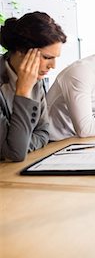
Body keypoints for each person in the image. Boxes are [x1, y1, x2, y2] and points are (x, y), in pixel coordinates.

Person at [0, 12, 67, 162]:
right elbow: (15, 152)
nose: (53, 66)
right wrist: (23, 91)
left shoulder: (37, 80)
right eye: (47, 57)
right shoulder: (29, 81)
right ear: (20, 51)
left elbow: (43, 133)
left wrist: (20, 145)